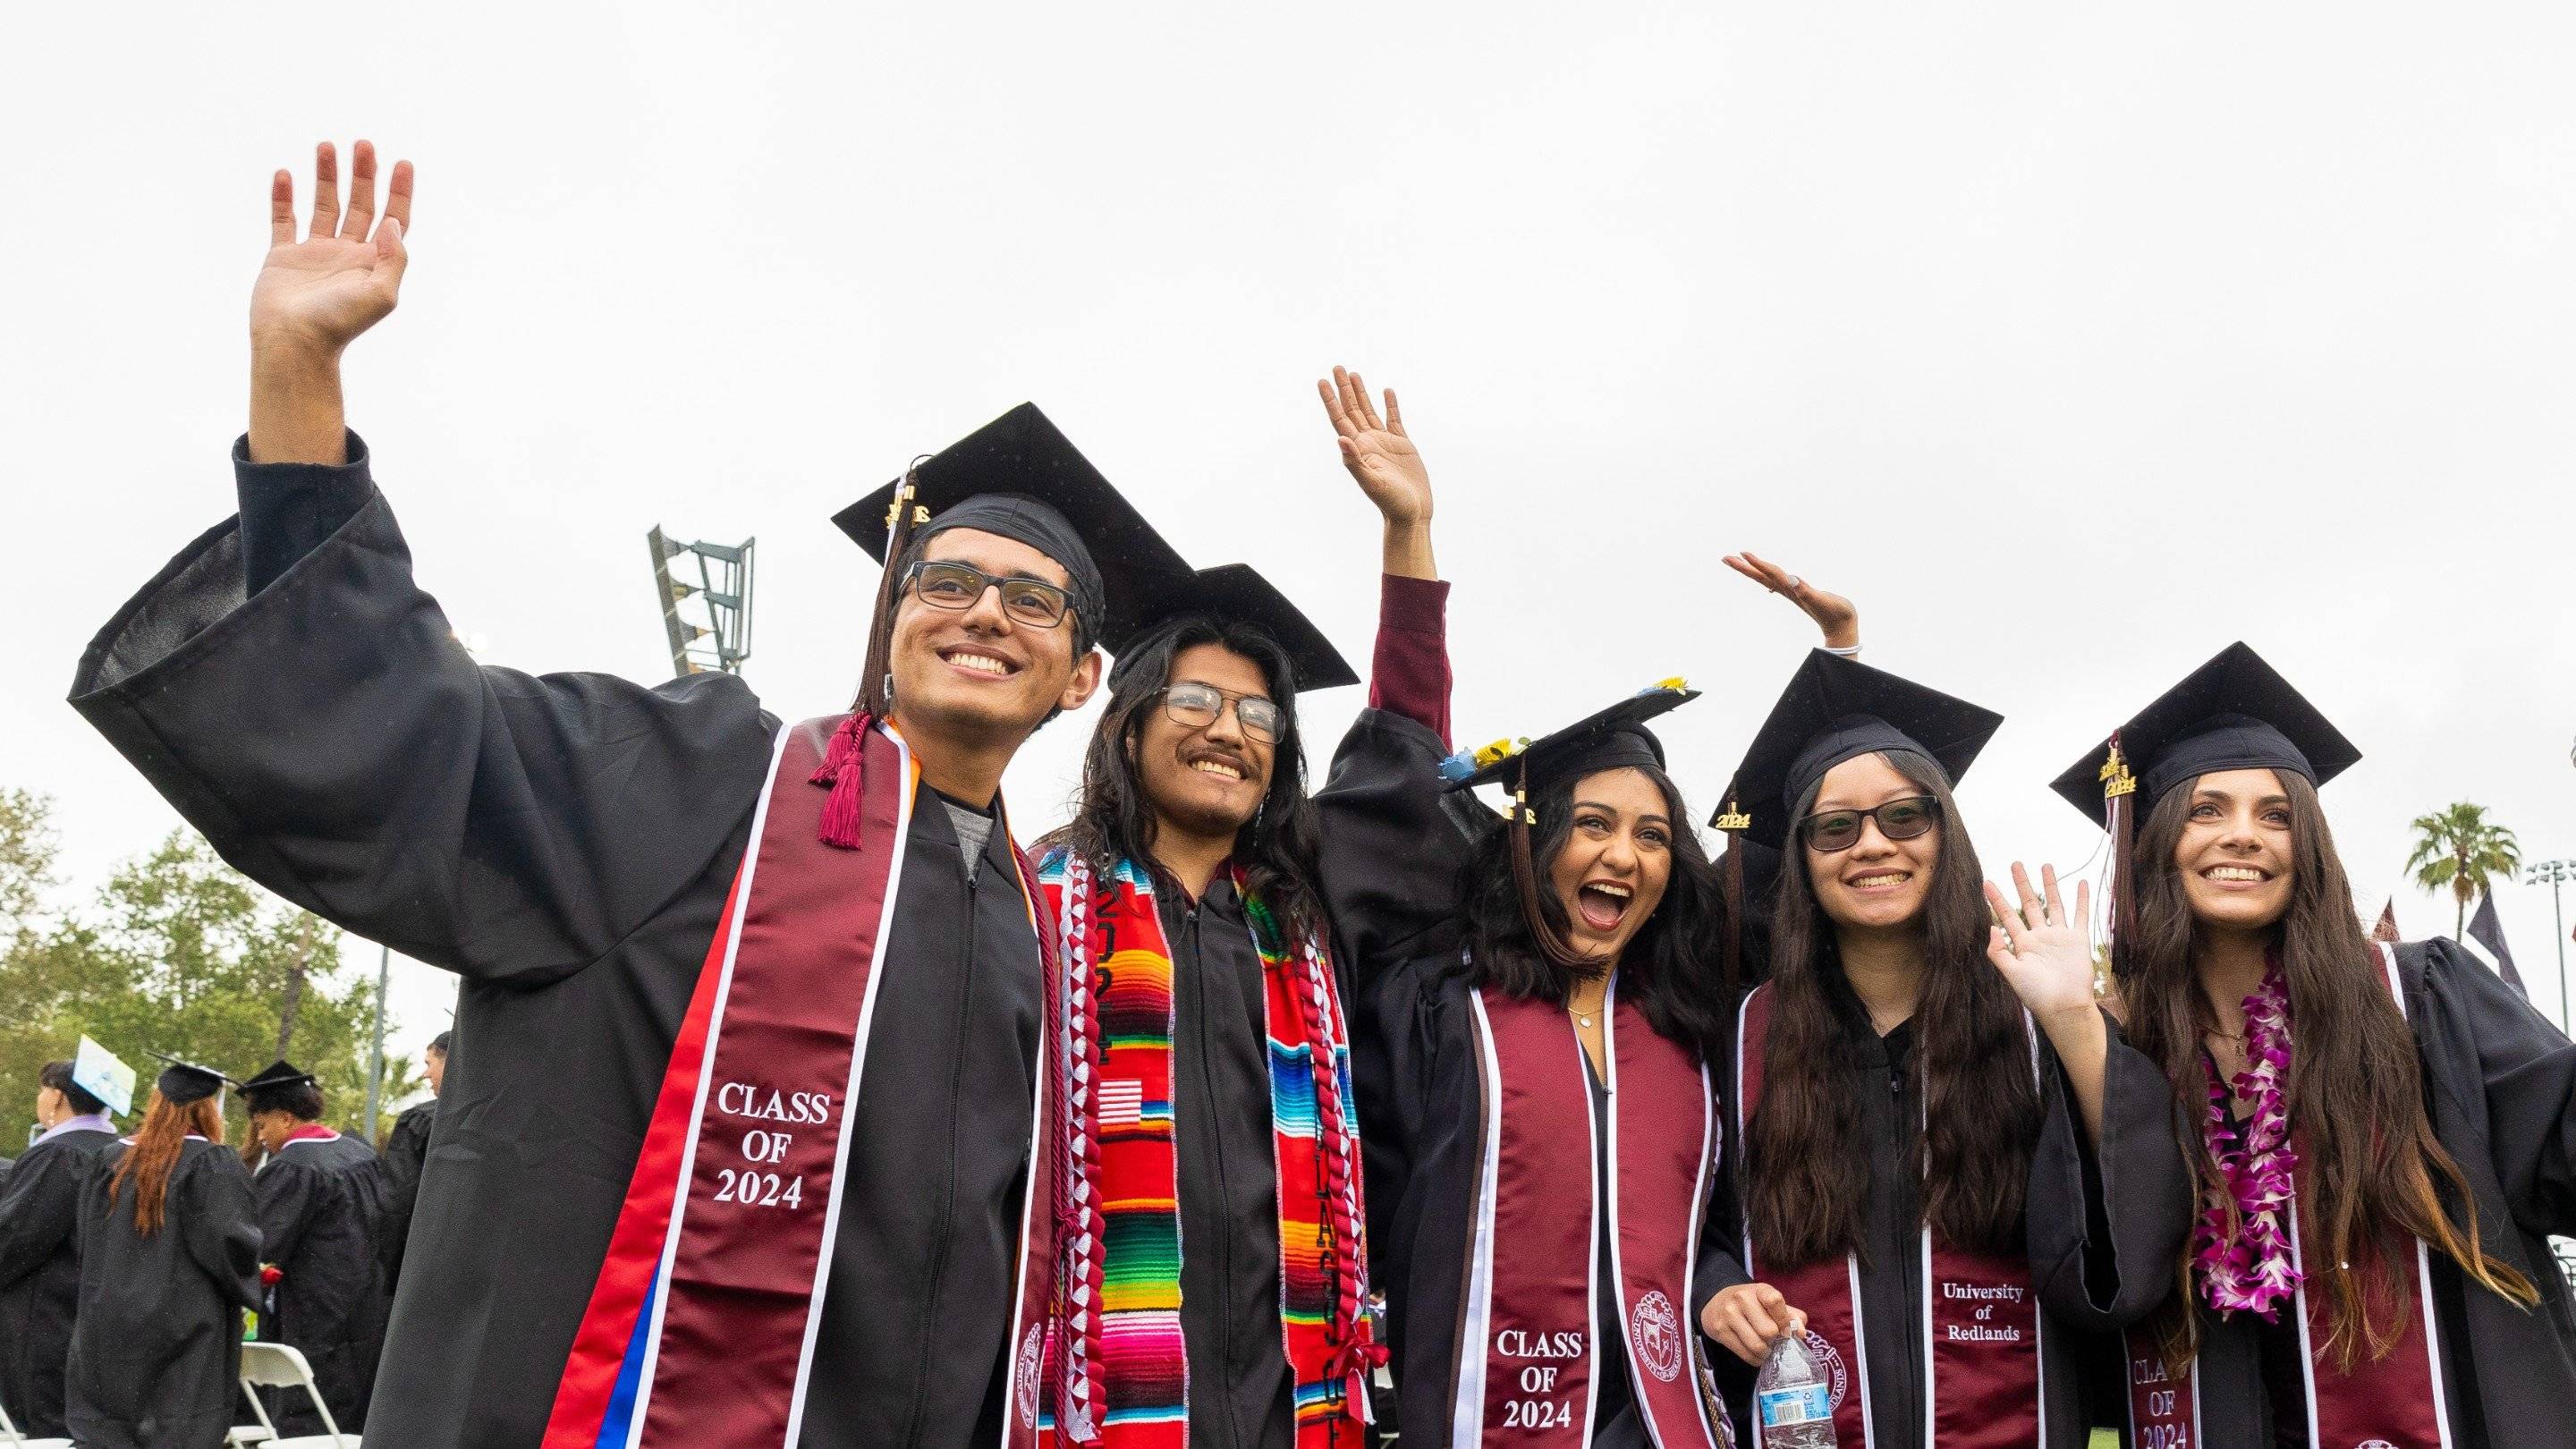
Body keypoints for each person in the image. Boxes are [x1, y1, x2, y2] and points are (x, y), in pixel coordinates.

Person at [66, 140, 1198, 1448]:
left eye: (1032, 599)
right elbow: (406, 725)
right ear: (889, 622)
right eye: (942, 581)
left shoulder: (1040, 934)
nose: (983, 611)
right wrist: (300, 385)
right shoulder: (696, 779)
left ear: (1079, 678)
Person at [1310, 368, 1737, 1447]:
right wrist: (1411, 542)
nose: (1623, 856)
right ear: (1533, 845)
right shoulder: (1437, 1004)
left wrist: (1723, 1284)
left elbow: (1711, 1232)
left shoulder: (1686, 1031)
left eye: (1650, 836)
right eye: (1591, 826)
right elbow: (1402, 778)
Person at [2052, 642, 2576, 1449]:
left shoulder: (2424, 1002)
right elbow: (2082, 1283)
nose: (2244, 836)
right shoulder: (2117, 1057)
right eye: (2206, 809)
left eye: (2276, 815)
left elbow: (2564, 1153)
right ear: (2154, 839)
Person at [1696, 648, 2190, 1448]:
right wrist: (1715, 1290)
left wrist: (2075, 1023)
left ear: (1944, 832)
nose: (1873, 845)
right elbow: (1690, 1227)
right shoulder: (1746, 1040)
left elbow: (2132, 1227)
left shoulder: (2029, 1021)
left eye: (1904, 816)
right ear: (1800, 858)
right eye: (1834, 828)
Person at [1033, 562, 1380, 1447]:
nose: (1230, 731)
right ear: (1127, 723)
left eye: (1260, 716)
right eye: (1194, 701)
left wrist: (1405, 537)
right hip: (1094, 1403)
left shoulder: (1299, 940)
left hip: (1289, 1406)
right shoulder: (1036, 905)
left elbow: (1405, 779)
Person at [64, 1055, 263, 1449]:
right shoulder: (212, 1162)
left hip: (108, 1321)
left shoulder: (111, 1160)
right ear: (209, 1108)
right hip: (185, 1325)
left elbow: (85, 1239)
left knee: (109, 1435)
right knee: (177, 1431)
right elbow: (232, 1246)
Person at [242, 1058, 389, 1435]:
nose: (259, 1137)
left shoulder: (294, 1167)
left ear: (286, 1118)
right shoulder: (361, 1154)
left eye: (261, 1125)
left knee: (305, 1422)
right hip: (368, 1310)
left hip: (313, 1317)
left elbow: (261, 1244)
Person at [0, 1056, 127, 1436]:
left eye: (43, 1089)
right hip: (99, 1310)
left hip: (46, 1316)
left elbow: (17, 1236)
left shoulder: (60, 1152)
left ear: (56, 1096)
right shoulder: (123, 1150)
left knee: (42, 1428)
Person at [377, 1029, 447, 1291]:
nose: (425, 1074)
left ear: (451, 1062)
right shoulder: (503, 1119)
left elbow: (397, 1201)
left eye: (430, 1064)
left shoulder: (419, 1122)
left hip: (424, 1263)